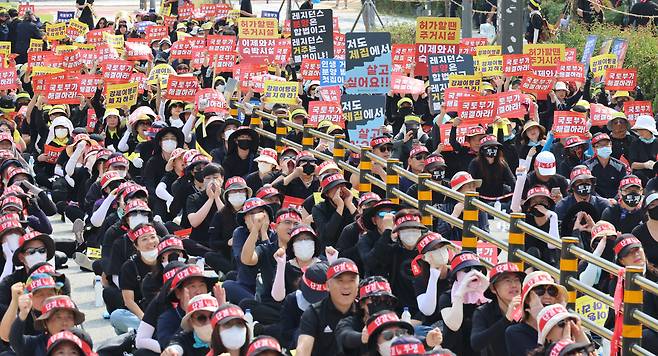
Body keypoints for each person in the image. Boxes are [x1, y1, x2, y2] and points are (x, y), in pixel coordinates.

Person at [296, 258, 359, 356]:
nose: (346, 286)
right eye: (340, 281)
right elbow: (303, 349)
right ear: (328, 285)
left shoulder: (364, 311)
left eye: (351, 280)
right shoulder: (313, 313)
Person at [505, 271, 568, 355]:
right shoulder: (514, 332)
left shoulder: (563, 325)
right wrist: (541, 318)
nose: (547, 296)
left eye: (552, 291)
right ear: (527, 299)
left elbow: (588, 350)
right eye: (540, 290)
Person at [471, 262, 524, 356]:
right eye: (507, 280)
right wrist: (507, 319)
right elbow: (476, 343)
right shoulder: (483, 312)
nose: (514, 285)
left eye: (516, 280)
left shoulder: (528, 307)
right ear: (493, 288)